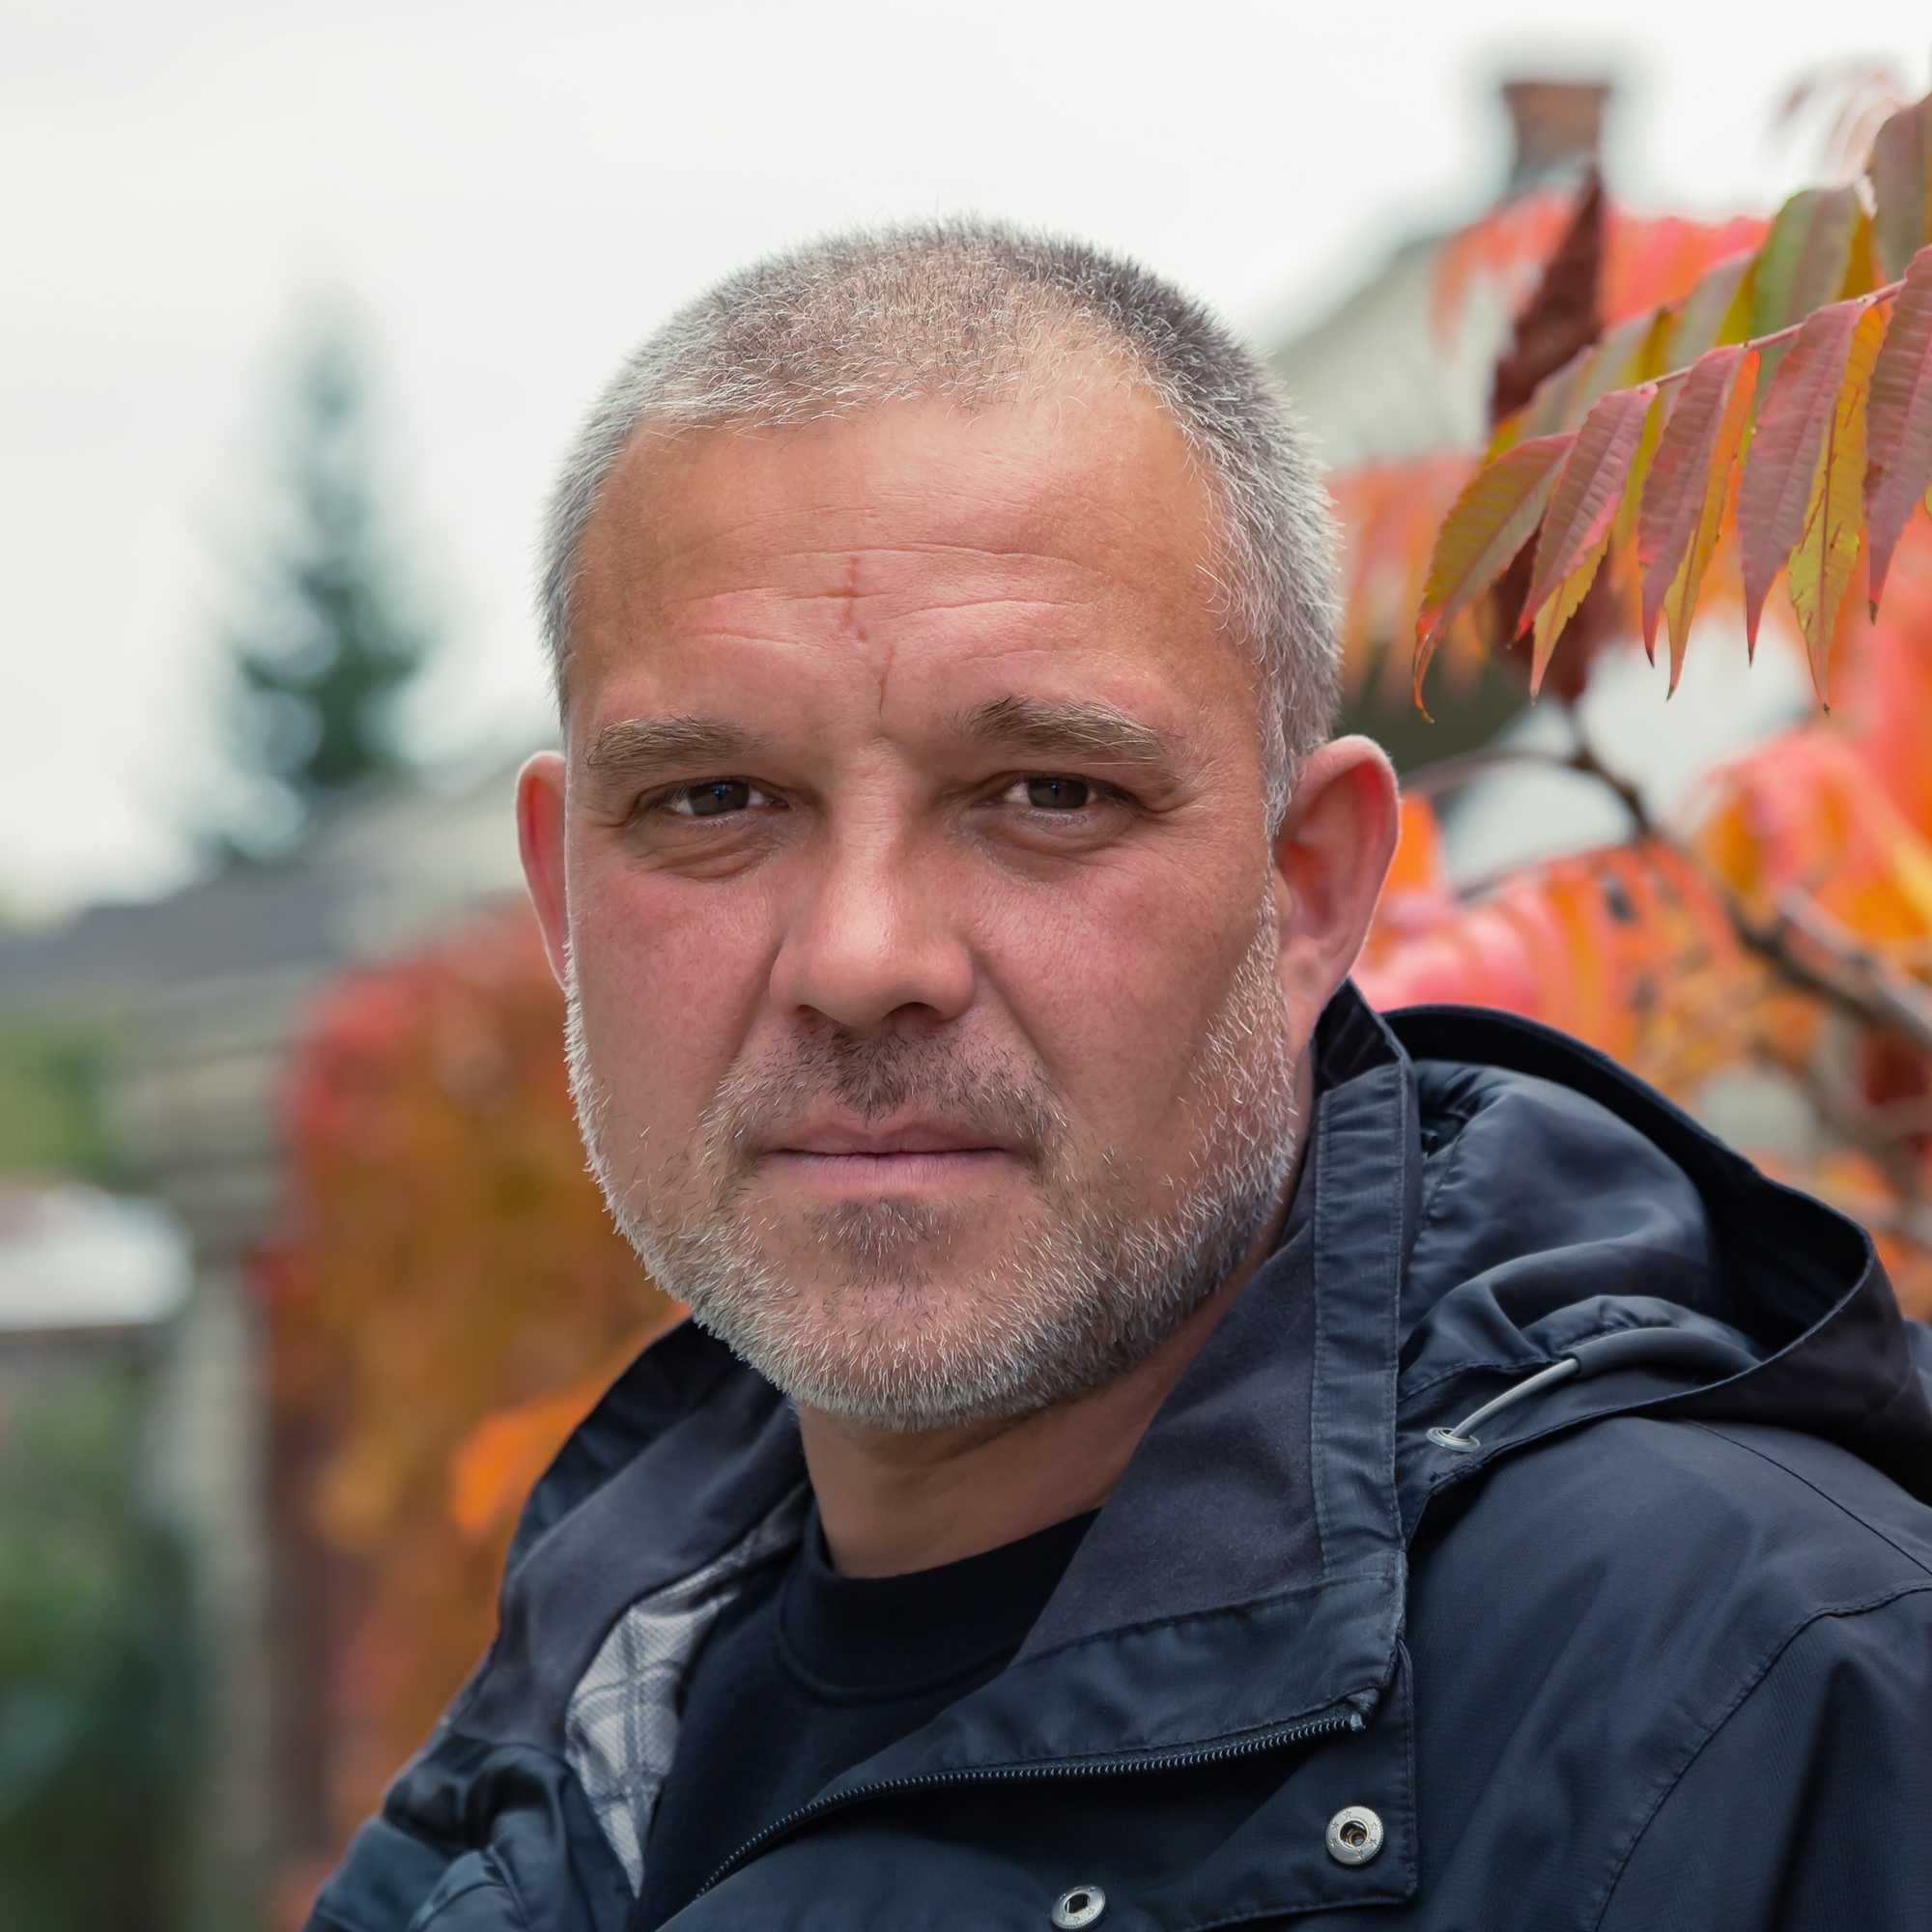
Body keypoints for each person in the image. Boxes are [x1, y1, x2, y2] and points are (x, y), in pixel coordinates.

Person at [308, 224, 1932, 1932]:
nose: (864, 959)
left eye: (1048, 794)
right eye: (714, 801)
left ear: (1310, 886)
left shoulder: (1755, 1712)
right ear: (566, 897)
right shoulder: (548, 1777)